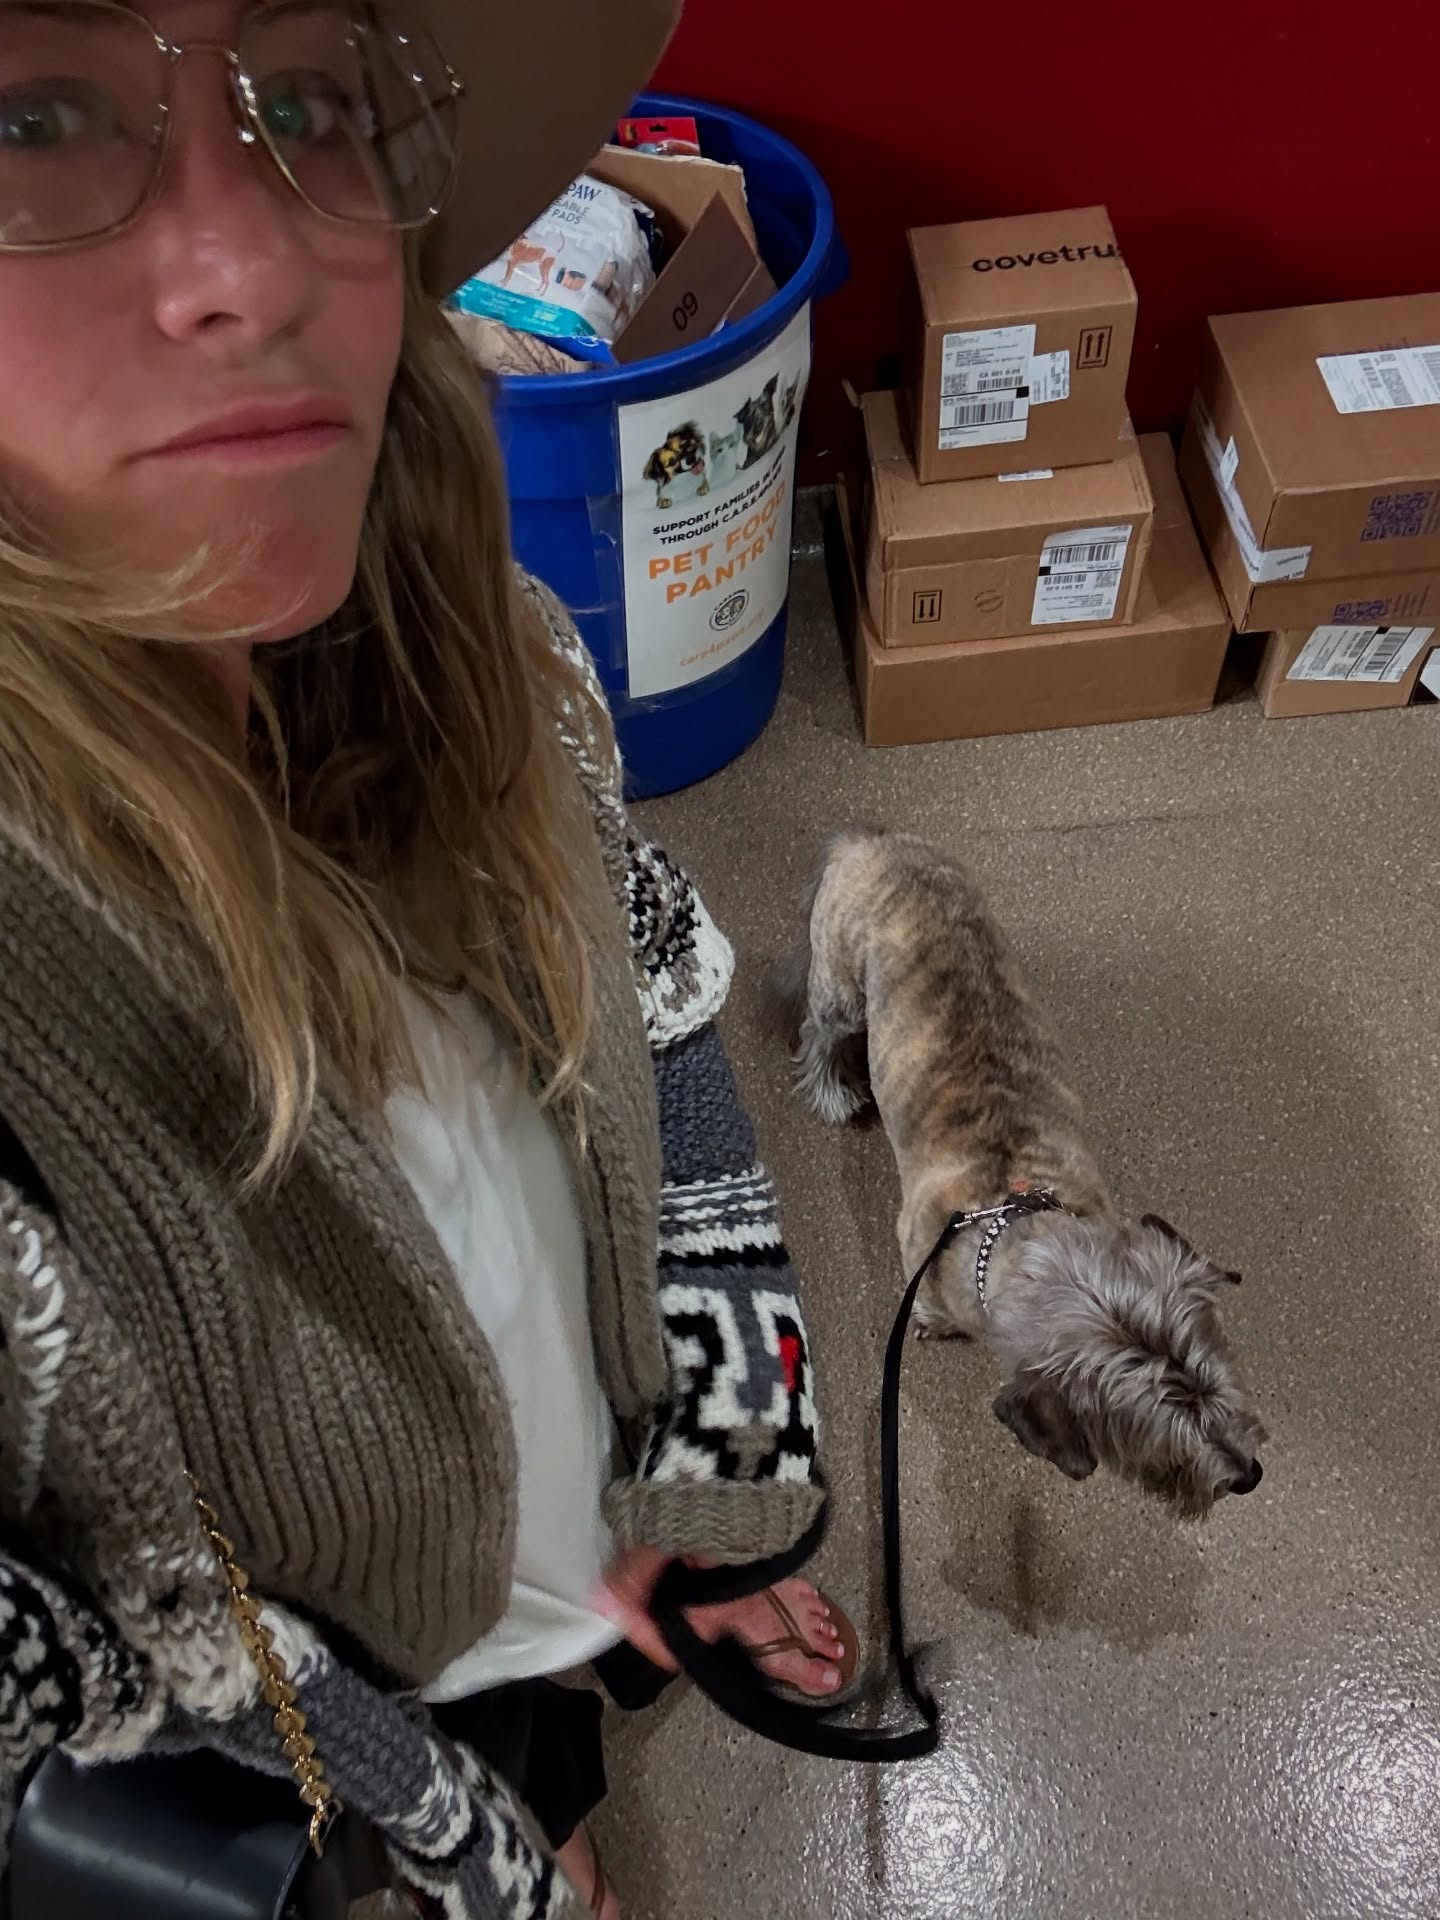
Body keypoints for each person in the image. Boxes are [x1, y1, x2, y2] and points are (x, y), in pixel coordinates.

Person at [0, 4, 856, 1916]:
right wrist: (459, 1852)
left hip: (554, 1553)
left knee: (541, 1703)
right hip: (337, 1736)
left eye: (306, 96)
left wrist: (716, 1452)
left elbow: (653, 989)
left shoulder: (494, 648)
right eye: (34, 118)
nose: (255, 260)